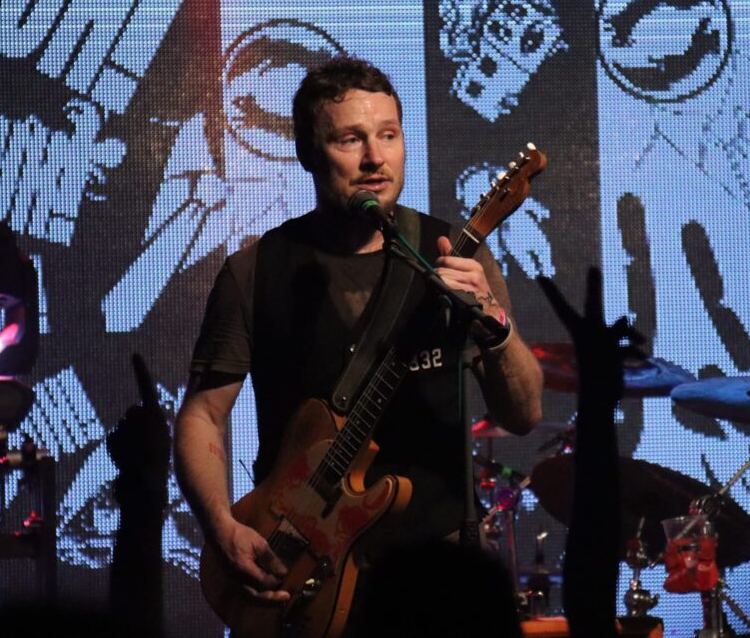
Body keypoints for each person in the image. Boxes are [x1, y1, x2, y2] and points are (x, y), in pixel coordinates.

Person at [173, 57, 543, 609]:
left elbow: (523, 415)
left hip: (434, 572)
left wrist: (494, 322)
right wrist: (221, 527)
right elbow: (203, 414)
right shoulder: (254, 272)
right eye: (351, 139)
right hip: (302, 568)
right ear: (308, 153)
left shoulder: (455, 257)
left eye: (388, 135)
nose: (375, 158)